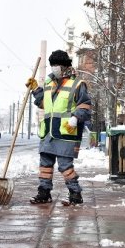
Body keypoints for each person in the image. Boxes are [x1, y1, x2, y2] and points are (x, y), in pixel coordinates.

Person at [26, 49, 92, 205]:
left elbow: (85, 104)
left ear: (65, 66)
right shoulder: (49, 84)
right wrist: (35, 89)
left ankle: (75, 193)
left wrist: (76, 118)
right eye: (52, 65)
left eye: (57, 64)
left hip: (66, 132)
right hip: (48, 132)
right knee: (45, 165)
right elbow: (45, 103)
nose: (54, 67)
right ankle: (44, 192)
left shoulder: (77, 84)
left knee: (65, 166)